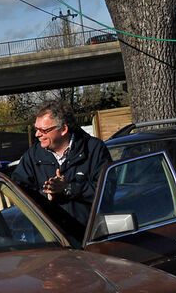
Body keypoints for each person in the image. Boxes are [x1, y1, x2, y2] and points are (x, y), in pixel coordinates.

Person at [11, 99, 112, 240]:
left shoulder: (94, 150)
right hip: (50, 243)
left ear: (63, 129)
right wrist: (47, 195)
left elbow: (106, 193)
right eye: (36, 129)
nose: (37, 135)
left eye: (43, 130)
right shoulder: (32, 156)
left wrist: (69, 188)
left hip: (88, 239)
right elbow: (18, 192)